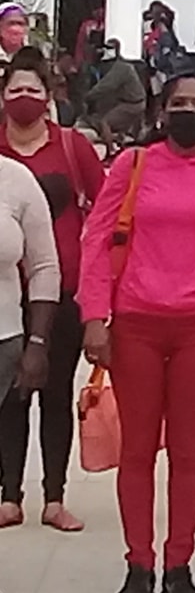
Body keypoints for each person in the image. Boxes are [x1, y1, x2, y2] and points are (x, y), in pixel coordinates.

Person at [79, 73, 195, 593]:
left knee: (187, 452)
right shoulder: (134, 166)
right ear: (162, 111)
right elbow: (96, 239)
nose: (189, 111)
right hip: (135, 322)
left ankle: (178, 564)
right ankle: (139, 564)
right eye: (179, 103)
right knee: (137, 450)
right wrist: (95, 315)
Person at [0, 48, 102, 531]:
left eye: (32, 91)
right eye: (14, 90)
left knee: (55, 393)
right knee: (9, 399)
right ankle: (10, 495)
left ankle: (54, 497)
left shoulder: (70, 148)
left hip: (62, 293)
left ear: (48, 97)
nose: (23, 99)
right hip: (5, 297)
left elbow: (104, 215)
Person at [84, 39, 147, 146]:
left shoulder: (121, 68)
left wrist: (88, 96)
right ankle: (118, 140)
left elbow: (106, 85)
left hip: (132, 104)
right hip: (130, 101)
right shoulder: (120, 65)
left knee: (105, 122)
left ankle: (110, 148)